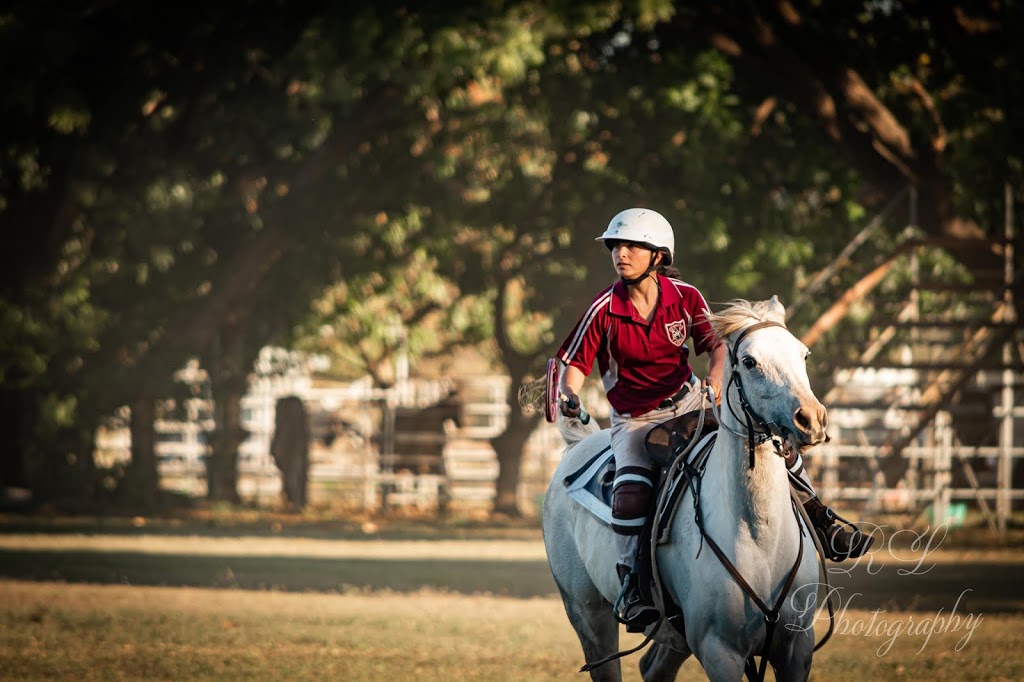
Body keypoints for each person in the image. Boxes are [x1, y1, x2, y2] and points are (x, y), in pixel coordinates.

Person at [556, 207, 871, 632]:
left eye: (632, 246)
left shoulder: (686, 297)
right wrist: (570, 394)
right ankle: (632, 584)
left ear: (658, 255)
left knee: (775, 450)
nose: (621, 253)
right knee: (631, 489)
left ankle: (823, 521)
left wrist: (717, 379)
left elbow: (716, 345)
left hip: (691, 404)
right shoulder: (603, 308)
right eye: (616, 246)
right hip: (634, 421)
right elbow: (574, 362)